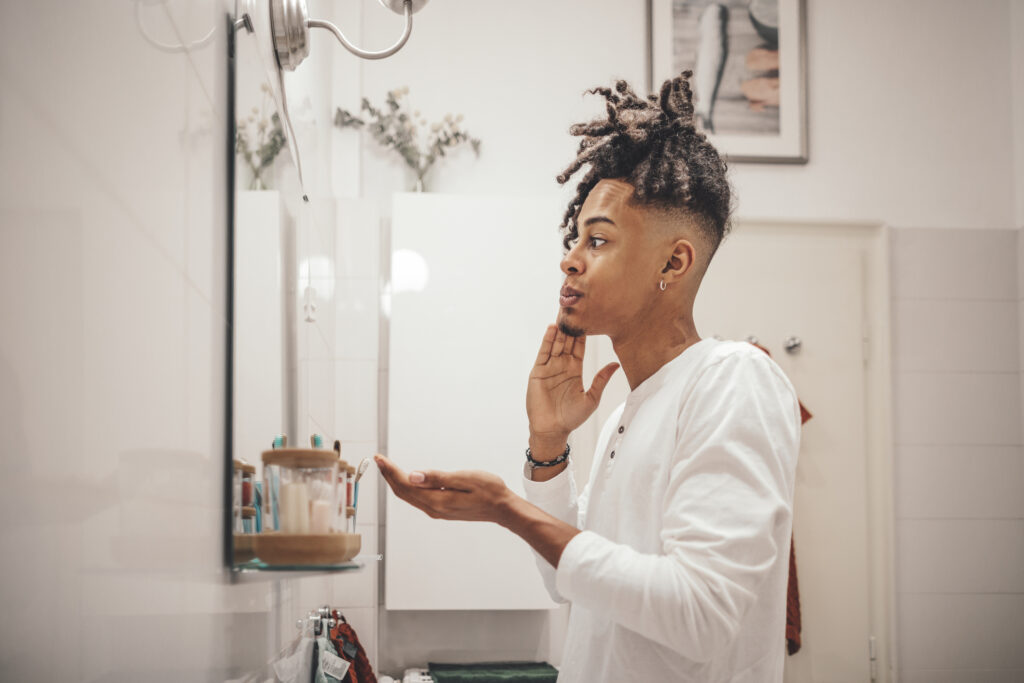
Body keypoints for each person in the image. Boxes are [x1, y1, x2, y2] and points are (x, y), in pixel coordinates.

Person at [374, 70, 802, 682]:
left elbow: (700, 614)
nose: (569, 258)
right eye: (576, 238)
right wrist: (548, 449)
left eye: (597, 241)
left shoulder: (734, 380)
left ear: (673, 262)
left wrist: (508, 510)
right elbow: (568, 583)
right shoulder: (626, 413)